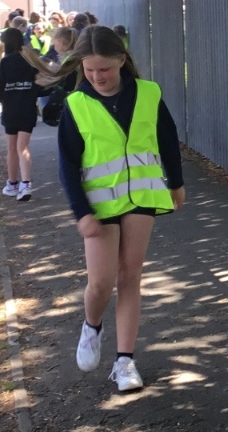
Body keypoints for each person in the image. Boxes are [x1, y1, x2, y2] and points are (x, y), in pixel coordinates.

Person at [56, 25, 184, 392]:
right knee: (101, 282)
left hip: (142, 196)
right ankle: (91, 325)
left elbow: (167, 139)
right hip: (98, 203)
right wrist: (81, 212)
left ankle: (125, 362)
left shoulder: (149, 93)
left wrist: (176, 183)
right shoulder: (76, 104)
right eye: (90, 70)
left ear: (122, 60)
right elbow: (67, 164)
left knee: (130, 275)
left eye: (105, 69)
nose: (97, 77)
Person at [0, 27, 46, 200]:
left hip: (10, 110)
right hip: (28, 110)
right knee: (23, 147)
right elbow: (42, 86)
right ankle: (25, 184)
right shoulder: (31, 61)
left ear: (6, 43)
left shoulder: (4, 63)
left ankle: (12, 184)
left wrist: (6, 98)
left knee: (12, 148)